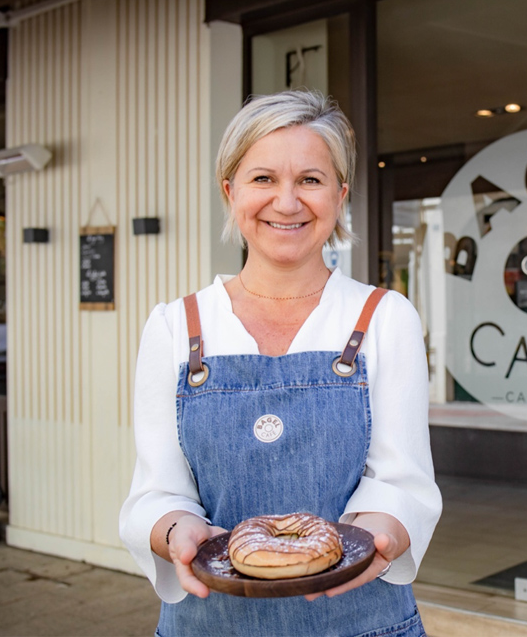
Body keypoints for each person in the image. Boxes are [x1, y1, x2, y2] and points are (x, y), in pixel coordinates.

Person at [119, 89, 442, 637]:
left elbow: (402, 481)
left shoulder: (385, 317)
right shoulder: (177, 326)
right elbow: (157, 492)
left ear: (340, 195)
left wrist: (378, 535)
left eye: (310, 180)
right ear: (230, 191)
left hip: (361, 624)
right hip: (207, 625)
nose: (287, 203)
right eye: (263, 178)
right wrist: (176, 531)